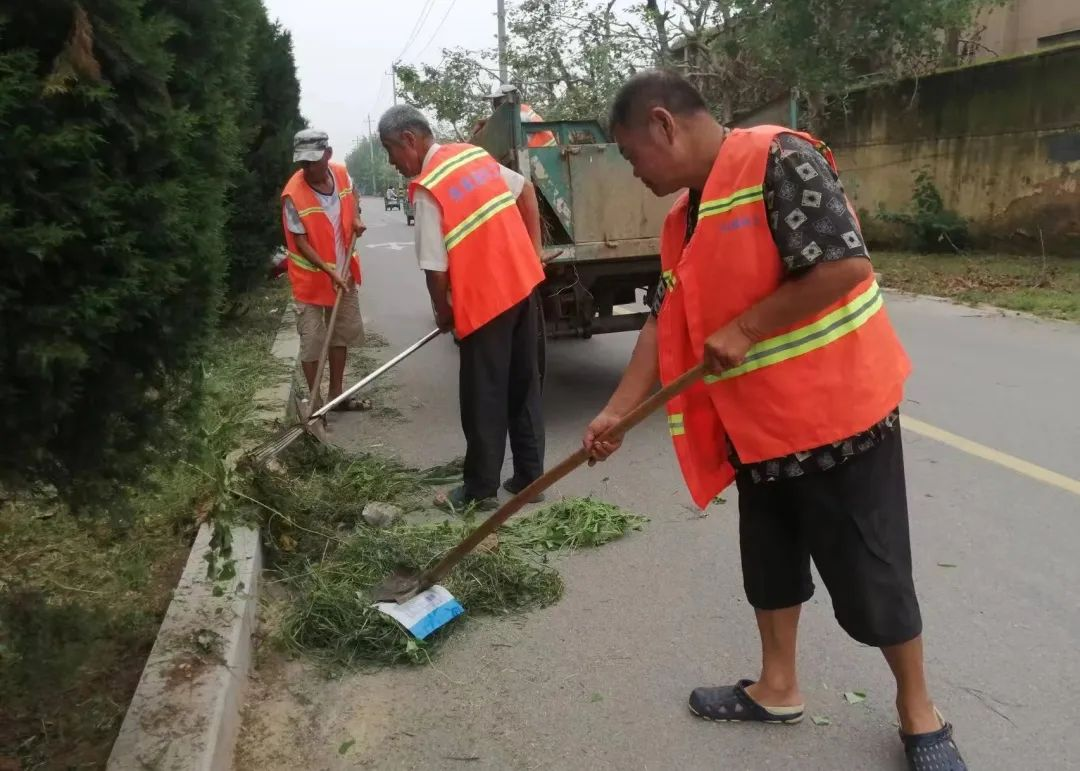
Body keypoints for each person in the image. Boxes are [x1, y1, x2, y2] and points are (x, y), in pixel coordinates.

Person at [582, 71, 965, 771]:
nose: (634, 171)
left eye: (633, 154)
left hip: (838, 415)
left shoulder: (777, 157)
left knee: (873, 571)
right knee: (771, 563)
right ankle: (778, 686)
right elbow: (665, 319)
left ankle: (920, 711)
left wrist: (748, 328)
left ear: (664, 124)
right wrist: (616, 410)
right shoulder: (684, 220)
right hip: (758, 430)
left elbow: (845, 266)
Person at [378, 105, 546, 510]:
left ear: (409, 141)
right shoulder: (473, 155)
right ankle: (529, 479)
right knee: (524, 386)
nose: (392, 162)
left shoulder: (428, 187)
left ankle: (479, 490)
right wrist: (534, 255)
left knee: (483, 397)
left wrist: (443, 313)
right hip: (524, 288)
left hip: (485, 303)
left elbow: (434, 269)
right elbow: (524, 190)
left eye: (389, 151)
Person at [281, 129, 367, 411]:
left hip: (343, 272)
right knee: (313, 339)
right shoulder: (293, 193)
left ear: (328, 155)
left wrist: (355, 217)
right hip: (311, 281)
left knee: (339, 333)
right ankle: (316, 404)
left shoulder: (341, 173)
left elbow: (353, 194)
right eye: (302, 163)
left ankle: (336, 395)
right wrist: (330, 273)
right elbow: (301, 241)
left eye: (312, 162)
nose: (306, 168)